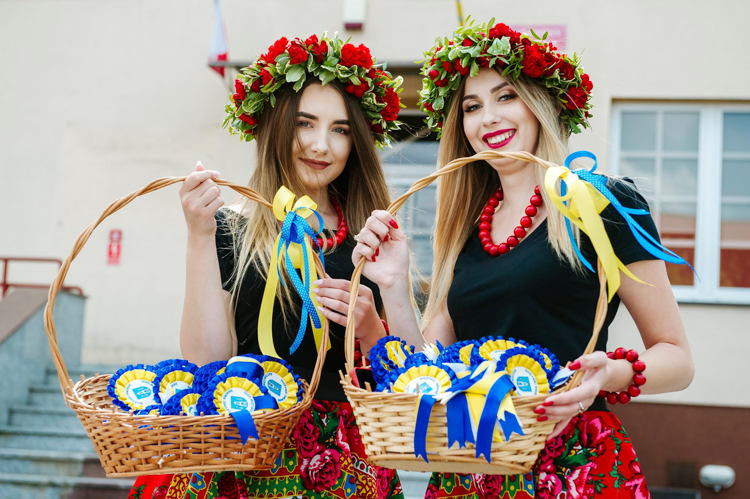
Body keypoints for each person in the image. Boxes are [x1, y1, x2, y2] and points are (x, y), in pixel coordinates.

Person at [351, 21, 694, 499]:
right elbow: (425, 373)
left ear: (541, 106)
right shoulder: (464, 231)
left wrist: (608, 375)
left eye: (506, 96)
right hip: (467, 469)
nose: (487, 117)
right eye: (472, 107)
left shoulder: (603, 203)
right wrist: (392, 283)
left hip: (571, 465)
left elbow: (677, 359)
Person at [128, 33, 404, 499]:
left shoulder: (376, 238)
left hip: (346, 466)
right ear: (275, 126)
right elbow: (204, 363)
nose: (321, 145)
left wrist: (373, 329)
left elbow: (409, 381)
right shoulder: (227, 229)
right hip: (245, 449)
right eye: (305, 123)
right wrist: (199, 236)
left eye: (340, 129)